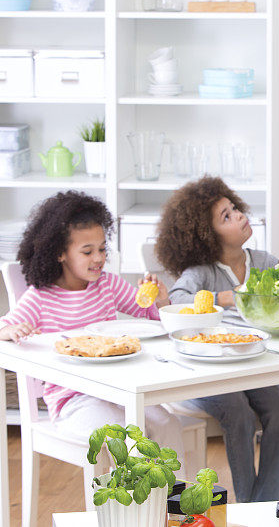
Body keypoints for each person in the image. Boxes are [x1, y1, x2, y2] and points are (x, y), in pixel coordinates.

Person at [0, 191, 186, 467]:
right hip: (73, 402)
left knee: (168, 423)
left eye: (102, 249)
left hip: (118, 390)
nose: (98, 258)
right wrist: (11, 330)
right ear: (60, 253)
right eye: (87, 252)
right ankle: (133, 510)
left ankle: (177, 507)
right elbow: (4, 326)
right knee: (124, 438)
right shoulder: (41, 297)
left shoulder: (107, 285)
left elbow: (150, 317)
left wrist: (159, 299)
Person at [155, 176, 279, 502]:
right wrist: (228, 296)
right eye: (226, 216)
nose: (238, 215)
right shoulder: (201, 272)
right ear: (207, 236)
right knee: (238, 412)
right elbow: (179, 302)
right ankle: (249, 507)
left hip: (254, 363)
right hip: (209, 374)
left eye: (234, 208)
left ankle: (265, 501)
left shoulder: (264, 262)